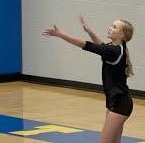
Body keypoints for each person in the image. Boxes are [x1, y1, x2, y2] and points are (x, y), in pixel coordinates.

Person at [42, 15, 134, 143]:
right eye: (111, 25)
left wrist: (60, 34)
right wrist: (89, 31)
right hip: (115, 102)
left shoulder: (114, 51)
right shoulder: (116, 48)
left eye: (114, 27)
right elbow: (100, 45)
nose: (110, 28)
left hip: (120, 104)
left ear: (122, 35)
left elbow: (85, 45)